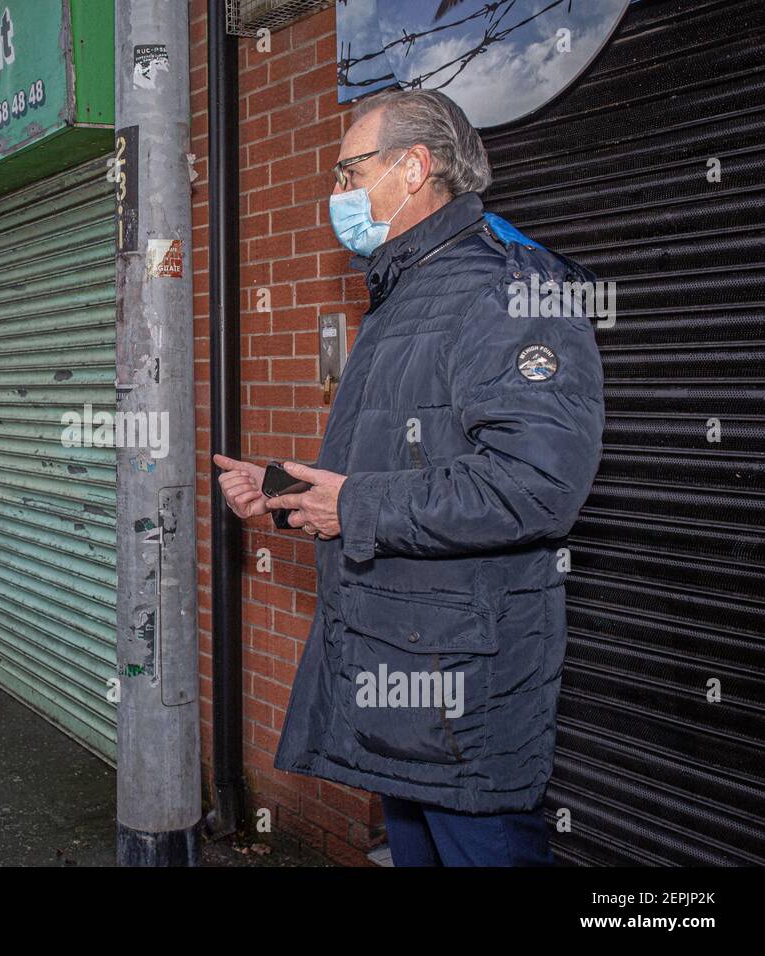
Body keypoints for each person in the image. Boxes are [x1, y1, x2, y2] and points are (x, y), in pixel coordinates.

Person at [214, 89, 604, 866]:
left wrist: (354, 502)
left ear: (415, 167)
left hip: (464, 695)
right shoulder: (405, 292)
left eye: (348, 170)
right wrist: (289, 497)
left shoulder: (508, 288)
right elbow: (403, 471)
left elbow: (535, 485)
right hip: (399, 675)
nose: (336, 193)